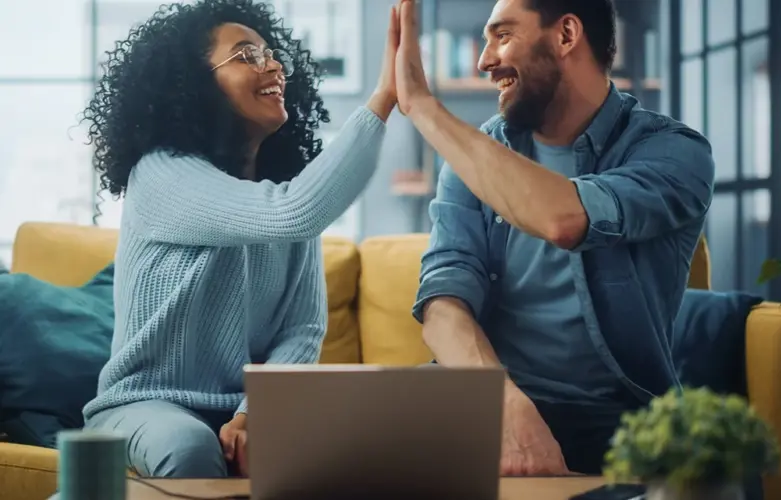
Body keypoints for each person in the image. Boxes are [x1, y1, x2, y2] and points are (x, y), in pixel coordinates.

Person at [79, 0, 399, 478]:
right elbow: (293, 212)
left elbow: (301, 332)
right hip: (143, 406)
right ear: (193, 82)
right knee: (188, 445)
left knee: (368, 450)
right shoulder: (162, 174)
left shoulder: (282, 193)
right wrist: (384, 99)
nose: (271, 66)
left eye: (272, 55)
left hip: (241, 408)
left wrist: (255, 412)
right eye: (247, 55)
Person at [393, 0, 716, 475]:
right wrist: (502, 401)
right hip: (485, 398)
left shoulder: (674, 152)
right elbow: (443, 305)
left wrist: (422, 107)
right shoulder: (473, 160)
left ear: (566, 35)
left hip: (614, 417)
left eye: (502, 36)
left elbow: (564, 218)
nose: (484, 60)